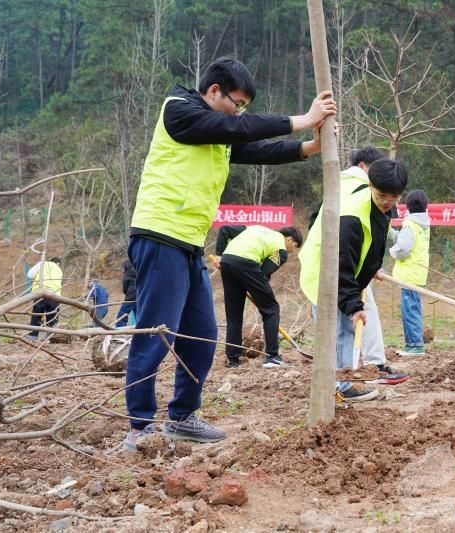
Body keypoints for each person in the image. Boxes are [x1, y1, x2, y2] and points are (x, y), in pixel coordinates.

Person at [122, 57, 336, 451]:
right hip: (159, 235)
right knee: (156, 332)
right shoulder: (180, 112)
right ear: (214, 91)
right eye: (236, 102)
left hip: (189, 244)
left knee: (202, 335)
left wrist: (308, 147)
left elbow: (254, 148)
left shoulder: (215, 133)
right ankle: (139, 426)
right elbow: (236, 128)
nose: (239, 112)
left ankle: (182, 416)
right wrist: (300, 119)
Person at [300, 158, 408, 403]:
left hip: (343, 270)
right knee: (334, 332)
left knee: (346, 330)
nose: (388, 202)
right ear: (370, 185)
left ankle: (342, 386)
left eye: (395, 197)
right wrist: (354, 306)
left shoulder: (385, 206)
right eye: (382, 195)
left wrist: (372, 268)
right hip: (323, 272)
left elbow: (373, 241)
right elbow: (340, 266)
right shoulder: (350, 216)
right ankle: (330, 391)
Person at [215, 224, 303, 369]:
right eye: (295, 245)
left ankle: (233, 360)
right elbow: (264, 272)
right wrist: (255, 288)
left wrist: (219, 254)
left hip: (227, 261)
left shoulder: (254, 228)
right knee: (271, 309)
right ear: (289, 239)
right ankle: (272, 357)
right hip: (247, 262)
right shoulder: (281, 250)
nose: (293, 249)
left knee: (234, 314)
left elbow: (224, 230)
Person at [390, 190, 431, 356]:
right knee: (413, 308)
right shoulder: (423, 224)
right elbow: (405, 239)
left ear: (407, 207)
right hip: (418, 273)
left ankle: (414, 345)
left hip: (409, 275)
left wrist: (392, 251)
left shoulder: (410, 224)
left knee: (410, 310)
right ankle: (413, 344)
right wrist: (392, 233)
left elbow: (403, 249)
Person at [26, 257, 64, 340]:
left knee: (37, 315)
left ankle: (33, 335)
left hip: (41, 293)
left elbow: (30, 275)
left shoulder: (42, 264)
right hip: (55, 296)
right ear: (58, 264)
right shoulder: (60, 271)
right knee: (53, 317)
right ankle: (52, 337)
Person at [115, 259, 137, 328]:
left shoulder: (127, 273)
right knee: (138, 314)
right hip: (139, 297)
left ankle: (120, 328)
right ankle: (141, 329)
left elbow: (125, 287)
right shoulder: (138, 272)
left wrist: (126, 293)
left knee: (122, 314)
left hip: (130, 297)